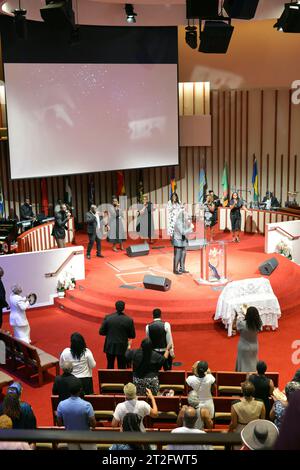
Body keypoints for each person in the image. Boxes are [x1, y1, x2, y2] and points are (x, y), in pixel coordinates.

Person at [56, 378, 97, 450]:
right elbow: (93, 424)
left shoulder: (61, 404)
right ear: (80, 390)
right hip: (86, 437)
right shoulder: (87, 405)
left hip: (70, 437)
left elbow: (59, 423)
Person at [99, 300, 136, 369]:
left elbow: (101, 332)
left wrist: (110, 332)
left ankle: (110, 379)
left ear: (115, 307)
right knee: (122, 367)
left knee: (110, 365)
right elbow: (132, 335)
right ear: (124, 308)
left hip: (110, 345)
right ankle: (121, 380)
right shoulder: (129, 320)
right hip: (122, 346)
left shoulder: (108, 318)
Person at [234, 306, 262, 372]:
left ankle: (242, 377)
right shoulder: (259, 324)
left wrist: (236, 317)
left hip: (243, 346)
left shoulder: (242, 324)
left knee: (243, 363)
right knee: (253, 363)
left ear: (247, 315)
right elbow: (253, 320)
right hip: (254, 347)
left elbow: (234, 327)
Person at [172, 206, 194, 275]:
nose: (187, 216)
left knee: (183, 254)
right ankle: (175, 270)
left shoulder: (184, 221)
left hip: (183, 240)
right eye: (186, 215)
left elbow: (186, 231)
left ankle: (182, 268)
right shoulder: (178, 221)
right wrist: (191, 228)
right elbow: (183, 232)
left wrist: (189, 225)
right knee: (177, 255)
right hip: (178, 240)